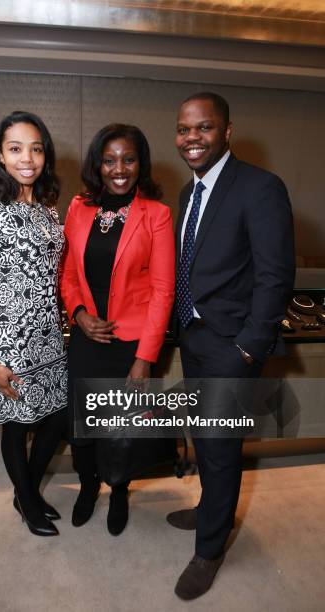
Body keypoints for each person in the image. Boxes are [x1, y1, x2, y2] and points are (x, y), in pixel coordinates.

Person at [167, 92, 295, 599]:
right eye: (183, 129)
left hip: (231, 347)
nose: (191, 138)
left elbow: (275, 274)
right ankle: (209, 507)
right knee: (203, 438)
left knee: (221, 450)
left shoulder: (261, 187)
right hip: (193, 337)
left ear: (227, 131)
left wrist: (249, 347)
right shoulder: (186, 192)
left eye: (203, 128)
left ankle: (210, 548)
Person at [60, 123, 175, 535]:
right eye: (109, 160)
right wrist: (78, 313)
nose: (119, 168)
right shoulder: (79, 207)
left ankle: (120, 489)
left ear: (140, 163)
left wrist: (145, 359)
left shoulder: (157, 215)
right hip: (88, 340)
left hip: (130, 344)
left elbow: (163, 292)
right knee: (83, 428)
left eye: (128, 159)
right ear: (98, 164)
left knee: (121, 430)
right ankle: (89, 487)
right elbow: (68, 272)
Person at [0, 111, 67, 537]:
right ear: (0, 157)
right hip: (10, 344)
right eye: (16, 148)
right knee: (19, 424)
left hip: (51, 340)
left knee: (58, 419)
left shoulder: (48, 209)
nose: (28, 158)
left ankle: (25, 488)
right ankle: (27, 500)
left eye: (36, 148)